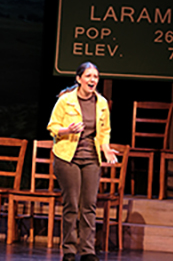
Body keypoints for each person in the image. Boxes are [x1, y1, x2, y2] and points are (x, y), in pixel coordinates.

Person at [47, 62, 117, 261]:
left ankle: (87, 251)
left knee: (89, 205)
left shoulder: (101, 103)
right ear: (79, 79)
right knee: (72, 204)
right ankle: (69, 250)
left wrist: (106, 149)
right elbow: (52, 127)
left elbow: (104, 132)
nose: (92, 80)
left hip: (91, 158)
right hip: (67, 157)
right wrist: (67, 130)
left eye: (95, 76)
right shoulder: (65, 101)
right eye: (88, 76)